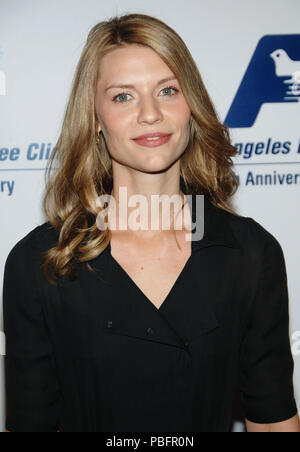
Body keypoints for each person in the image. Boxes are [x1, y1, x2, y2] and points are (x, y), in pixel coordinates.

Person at [3, 13, 299, 433]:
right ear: (94, 119)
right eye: (123, 96)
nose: (150, 114)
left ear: (191, 106)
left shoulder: (251, 253)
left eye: (167, 90)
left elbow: (272, 423)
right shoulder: (41, 263)